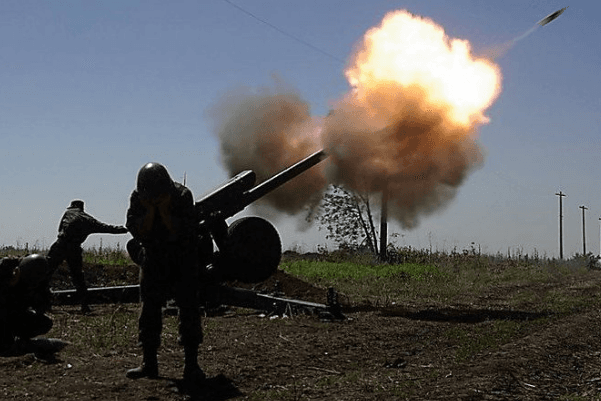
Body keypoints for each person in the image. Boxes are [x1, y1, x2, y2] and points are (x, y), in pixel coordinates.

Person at [125, 162, 204, 384]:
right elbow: (136, 229)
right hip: (153, 257)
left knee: (188, 308)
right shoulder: (139, 198)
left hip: (182, 257)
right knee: (149, 310)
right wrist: (151, 211)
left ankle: (191, 365)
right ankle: (148, 362)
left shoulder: (182, 196)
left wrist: (165, 210)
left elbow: (183, 231)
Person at [47, 200, 128, 313]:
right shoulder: (88, 220)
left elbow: (60, 229)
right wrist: (123, 229)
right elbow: (106, 228)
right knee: (78, 277)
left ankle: (42, 302)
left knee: (46, 273)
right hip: (74, 248)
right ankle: (85, 306)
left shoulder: (68, 213)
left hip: (60, 244)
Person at [0, 254, 54, 356]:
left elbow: (43, 304)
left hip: (15, 313)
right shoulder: (5, 268)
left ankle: (20, 340)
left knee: (43, 323)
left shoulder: (39, 282)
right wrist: (8, 284)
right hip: (4, 311)